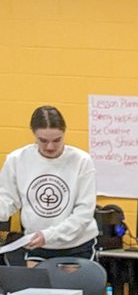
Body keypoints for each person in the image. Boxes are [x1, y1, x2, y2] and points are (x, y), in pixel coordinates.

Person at [0, 105, 99, 264]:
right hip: (37, 244)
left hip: (77, 246)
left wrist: (49, 235)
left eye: (57, 140)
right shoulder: (17, 160)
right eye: (43, 141)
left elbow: (84, 212)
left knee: (73, 281)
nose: (50, 147)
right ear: (33, 134)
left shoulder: (82, 161)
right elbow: (6, 201)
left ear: (64, 133)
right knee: (37, 281)